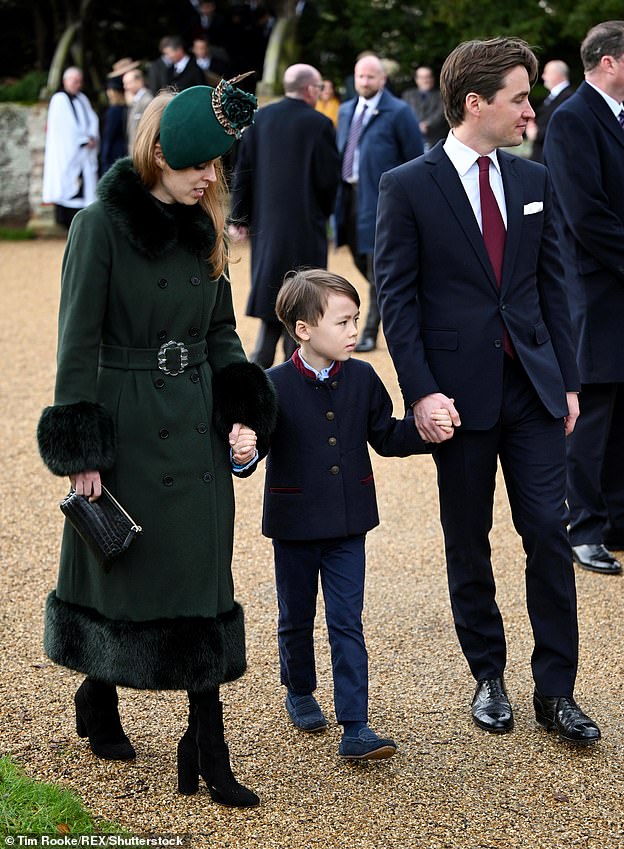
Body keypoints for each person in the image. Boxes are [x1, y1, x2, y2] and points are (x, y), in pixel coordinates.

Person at [36, 79, 277, 807]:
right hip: (129, 417)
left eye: (220, 164)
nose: (213, 177)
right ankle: (98, 691)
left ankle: (206, 741)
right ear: (160, 152)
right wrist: (81, 446)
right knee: (129, 564)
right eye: (200, 163)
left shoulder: (206, 222)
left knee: (200, 572)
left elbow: (221, 329)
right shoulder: (100, 225)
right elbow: (75, 343)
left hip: (197, 411)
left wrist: (241, 406)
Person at [374, 37, 601, 745]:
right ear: (476, 103)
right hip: (458, 399)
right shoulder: (406, 185)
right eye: (519, 97)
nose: (530, 110)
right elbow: (398, 298)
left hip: (533, 391)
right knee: (467, 540)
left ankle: (556, 691)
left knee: (548, 533)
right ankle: (488, 674)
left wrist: (566, 381)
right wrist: (421, 393)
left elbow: (554, 288)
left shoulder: (532, 183)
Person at [252, 268, 451, 759]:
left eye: (355, 320)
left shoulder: (362, 375)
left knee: (347, 620)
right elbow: (249, 452)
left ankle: (356, 726)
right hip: (294, 525)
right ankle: (299, 689)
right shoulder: (271, 384)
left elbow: (386, 436)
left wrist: (427, 432)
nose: (353, 331)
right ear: (304, 329)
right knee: (295, 616)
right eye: (342, 322)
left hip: (348, 524)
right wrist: (241, 452)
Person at [544, 21, 624, 575]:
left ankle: (619, 516)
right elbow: (586, 216)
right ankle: (583, 528)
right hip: (596, 291)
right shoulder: (572, 119)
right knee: (594, 414)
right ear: (608, 62)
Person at [230, 64, 340, 368]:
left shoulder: (260, 119)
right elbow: (329, 181)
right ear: (309, 90)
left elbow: (244, 172)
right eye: (318, 89)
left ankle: (260, 386)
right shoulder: (319, 124)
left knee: (271, 310)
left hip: (267, 230)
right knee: (303, 307)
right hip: (305, 228)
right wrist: (324, 213)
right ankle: (294, 385)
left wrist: (239, 218)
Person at [334, 53, 423, 353]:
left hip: (382, 200)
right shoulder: (346, 110)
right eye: (360, 76)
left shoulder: (399, 112)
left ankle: (370, 330)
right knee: (359, 258)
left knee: (377, 268)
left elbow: (414, 159)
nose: (365, 81)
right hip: (350, 196)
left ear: (383, 79)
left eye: (371, 76)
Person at [42, 67, 99, 231]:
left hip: (85, 153)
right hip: (68, 153)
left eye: (79, 81)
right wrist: (82, 140)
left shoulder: (82, 98)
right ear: (65, 81)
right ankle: (67, 223)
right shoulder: (59, 100)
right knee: (69, 186)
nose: (77, 84)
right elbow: (65, 127)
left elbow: (92, 119)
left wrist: (92, 137)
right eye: (74, 81)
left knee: (85, 188)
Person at [526, 60, 574, 163]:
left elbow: (564, 128)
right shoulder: (552, 97)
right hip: (542, 157)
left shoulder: (568, 98)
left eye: (546, 73)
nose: (543, 76)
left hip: (553, 159)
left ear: (556, 75)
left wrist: (537, 133)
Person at [401, 66, 449, 150]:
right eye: (422, 77)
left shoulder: (441, 95)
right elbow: (403, 113)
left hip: (435, 139)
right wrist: (415, 125)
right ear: (417, 80)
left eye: (428, 77)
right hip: (412, 139)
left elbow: (442, 113)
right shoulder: (408, 95)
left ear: (432, 78)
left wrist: (427, 124)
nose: (425, 80)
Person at [99, 77, 128, 175]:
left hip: (114, 152)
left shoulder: (114, 110)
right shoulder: (126, 108)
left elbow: (109, 135)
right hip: (123, 148)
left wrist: (104, 155)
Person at [122, 69, 153, 156]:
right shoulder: (134, 101)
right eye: (124, 83)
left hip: (144, 153)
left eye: (128, 83)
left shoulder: (148, 100)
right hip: (135, 152)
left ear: (139, 81)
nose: (125, 87)